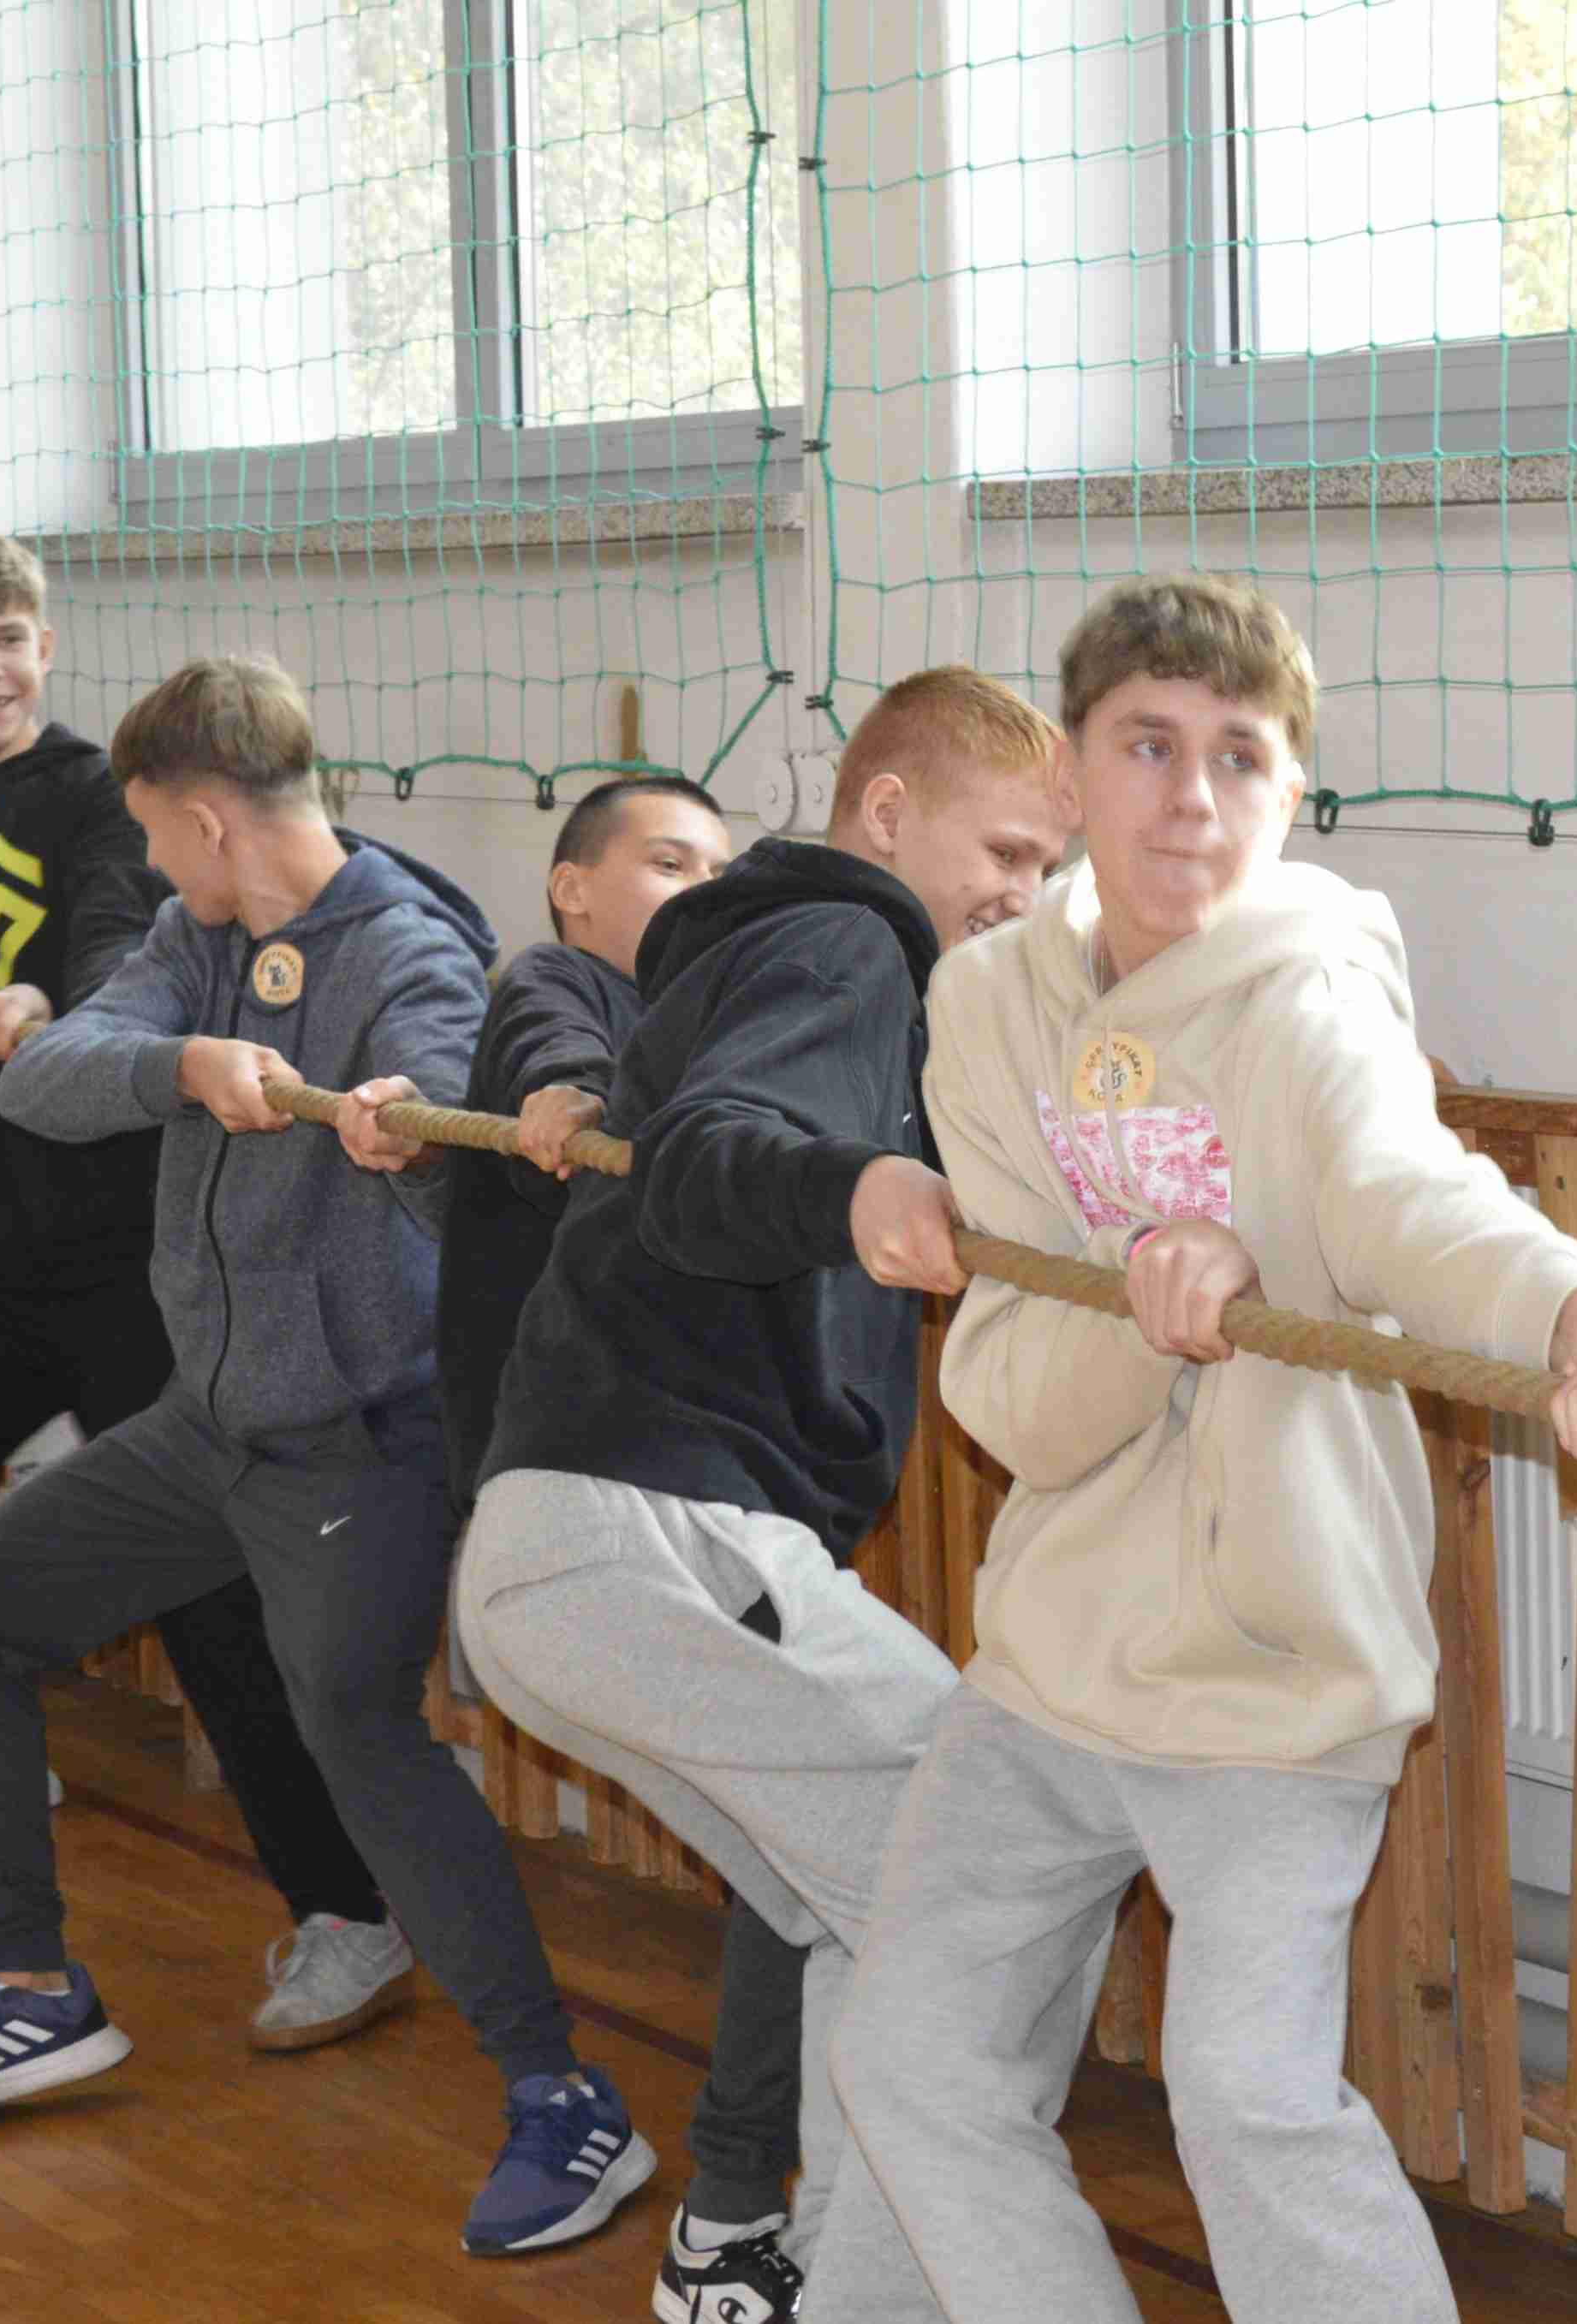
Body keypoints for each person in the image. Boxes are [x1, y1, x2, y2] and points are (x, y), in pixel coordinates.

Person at [827, 574, 1577, 2324]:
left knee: (1245, 2094)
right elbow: (1010, 1396)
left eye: (1238, 757)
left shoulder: (1308, 1002)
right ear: (1070, 773)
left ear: (1291, 793)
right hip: (1052, 1655)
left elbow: (1406, 1193)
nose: (1190, 798)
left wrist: (1569, 1311)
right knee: (905, 2053)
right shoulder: (984, 1003)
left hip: (1274, 1670)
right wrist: (1137, 1309)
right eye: (1146, 746)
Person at [0, 654, 645, 2250]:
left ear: (208, 820)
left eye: (156, 831)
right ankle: (31, 1984)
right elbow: (52, 1079)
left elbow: (474, 1155)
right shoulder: (194, 939)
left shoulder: (410, 953)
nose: (151, 859)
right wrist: (184, 1067)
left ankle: (563, 2096)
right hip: (207, 1427)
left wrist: (401, 1134)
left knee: (358, 1731)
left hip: (357, 1443)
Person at [443, 666, 1074, 2320]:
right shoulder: (851, 943)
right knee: (990, 1865)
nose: (1023, 892)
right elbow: (714, 1153)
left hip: (597, 1541)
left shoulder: (808, 965)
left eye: (1046, 868)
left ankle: (765, 2264)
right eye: (1005, 852)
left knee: (874, 1896)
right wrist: (848, 1183)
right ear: (887, 811)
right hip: (644, 1529)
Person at [0, 533, 397, 2064]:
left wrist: (56, 1006)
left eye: (9, 634)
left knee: (204, 1573)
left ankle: (341, 1906)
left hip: (106, 1243)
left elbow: (107, 929)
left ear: (48, 644)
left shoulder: (103, 793)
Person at [338, 772, 806, 2306]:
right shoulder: (557, 984)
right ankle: (729, 2206)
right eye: (668, 860)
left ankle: (741, 2195)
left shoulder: (720, 1020)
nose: (700, 888)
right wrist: (572, 1099)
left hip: (705, 1504)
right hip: (596, 1517)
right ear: (573, 887)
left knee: (801, 1853)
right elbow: (547, 1045)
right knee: (810, 1852)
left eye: (720, 868)